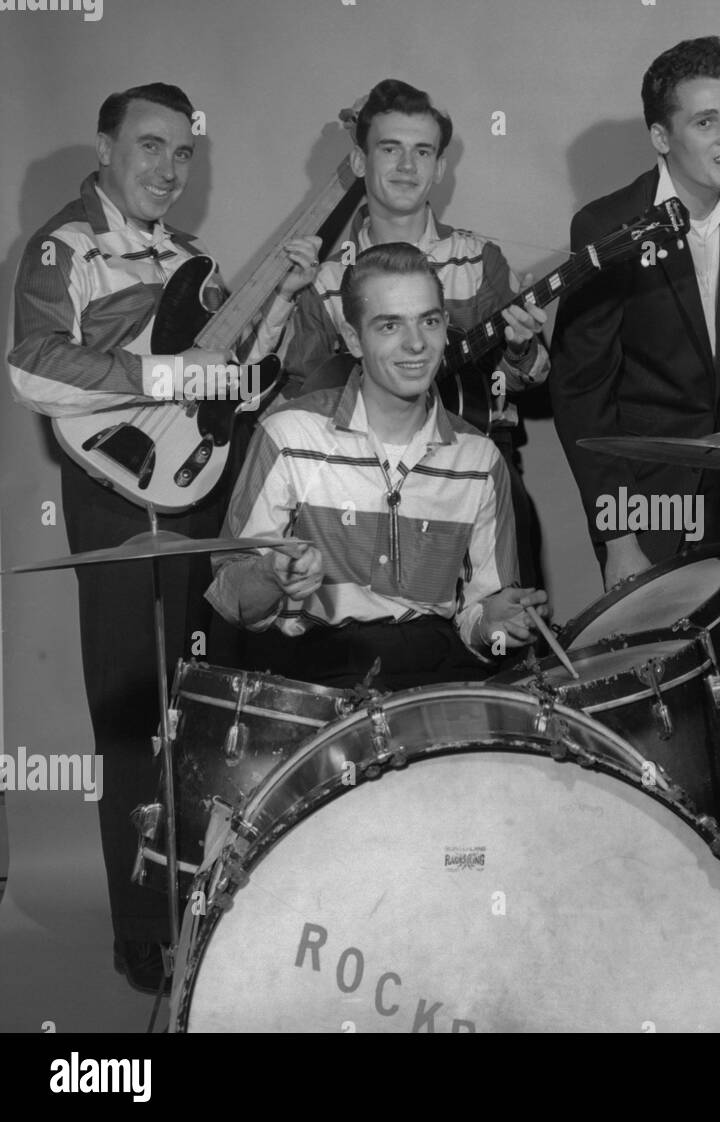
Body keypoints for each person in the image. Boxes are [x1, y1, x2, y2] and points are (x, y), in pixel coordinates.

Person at [6, 83, 319, 992]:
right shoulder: (66, 245)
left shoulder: (194, 258)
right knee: (135, 715)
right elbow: (33, 365)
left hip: (197, 497)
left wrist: (282, 306)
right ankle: (143, 926)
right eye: (150, 147)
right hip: (115, 497)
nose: (168, 170)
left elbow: (235, 387)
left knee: (204, 707)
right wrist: (169, 371)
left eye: (183, 153)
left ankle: (207, 904)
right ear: (104, 148)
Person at [207, 242, 548, 690]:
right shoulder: (288, 436)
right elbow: (232, 599)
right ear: (353, 338)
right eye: (390, 325)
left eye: (429, 321)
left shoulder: (480, 459)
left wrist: (495, 627)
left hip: (439, 676)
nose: (415, 343)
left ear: (445, 328)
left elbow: (479, 626)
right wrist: (272, 576)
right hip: (315, 677)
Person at [280, 79, 548, 586]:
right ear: (359, 162)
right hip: (358, 490)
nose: (407, 166)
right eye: (390, 149)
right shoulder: (326, 277)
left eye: (422, 151)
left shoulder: (479, 259)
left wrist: (521, 349)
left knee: (507, 625)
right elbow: (302, 397)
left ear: (440, 166)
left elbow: (519, 384)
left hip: (476, 468)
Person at [550, 36, 720, 589]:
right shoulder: (605, 227)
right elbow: (581, 393)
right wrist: (620, 537)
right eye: (706, 122)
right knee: (659, 658)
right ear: (661, 136)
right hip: (649, 498)